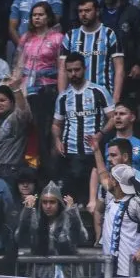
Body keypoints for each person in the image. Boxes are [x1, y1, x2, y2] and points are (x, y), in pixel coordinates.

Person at [52, 51, 115, 200]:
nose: (73, 74)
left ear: (84, 69)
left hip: (94, 152)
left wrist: (100, 134)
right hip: (71, 152)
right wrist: (57, 140)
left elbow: (112, 118)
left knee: (92, 195)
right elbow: (56, 124)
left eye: (77, 70)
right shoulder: (63, 97)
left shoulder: (99, 91)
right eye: (69, 70)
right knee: (71, 197)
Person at [13, 1, 63, 179]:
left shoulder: (58, 38)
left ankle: (48, 176)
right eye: (34, 15)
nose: (37, 18)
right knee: (28, 132)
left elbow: (61, 65)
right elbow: (19, 64)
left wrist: (61, 91)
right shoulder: (26, 37)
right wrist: (15, 85)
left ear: (48, 17)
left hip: (47, 90)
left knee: (45, 134)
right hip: (27, 91)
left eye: (41, 14)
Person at [59, 0, 124, 104]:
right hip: (75, 97)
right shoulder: (70, 36)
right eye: (80, 11)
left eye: (87, 10)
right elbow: (62, 69)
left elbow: (119, 68)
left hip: (104, 96)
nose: (83, 14)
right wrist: (62, 97)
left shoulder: (109, 34)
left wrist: (115, 99)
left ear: (97, 12)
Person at [16, 181, 86, 278]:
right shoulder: (35, 220)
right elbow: (20, 238)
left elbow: (81, 238)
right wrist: (27, 212)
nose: (48, 206)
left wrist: (73, 214)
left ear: (59, 203)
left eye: (52, 202)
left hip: (67, 274)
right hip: (40, 275)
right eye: (45, 202)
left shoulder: (68, 218)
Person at [97, 163, 140, 277]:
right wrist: (96, 151)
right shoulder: (111, 199)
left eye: (110, 177)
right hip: (107, 271)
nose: (107, 180)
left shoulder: (135, 203)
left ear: (115, 182)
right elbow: (102, 176)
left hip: (128, 271)